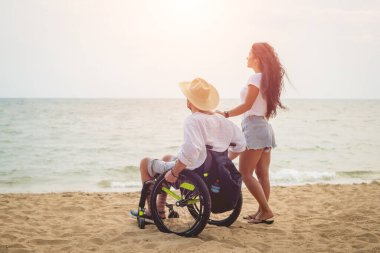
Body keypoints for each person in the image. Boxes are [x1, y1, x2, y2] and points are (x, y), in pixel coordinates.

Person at [130, 78, 246, 221]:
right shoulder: (222, 120)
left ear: (190, 101)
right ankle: (160, 208)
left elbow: (191, 151)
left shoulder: (193, 120)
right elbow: (241, 145)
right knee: (167, 157)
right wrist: (221, 161)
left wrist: (174, 172)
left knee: (144, 163)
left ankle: (152, 213)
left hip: (191, 172)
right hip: (210, 172)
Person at [216, 42, 286, 224]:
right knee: (263, 174)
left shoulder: (255, 78)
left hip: (255, 128)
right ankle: (262, 213)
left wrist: (225, 114)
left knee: (245, 173)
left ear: (257, 58)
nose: (246, 57)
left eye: (249, 54)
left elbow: (247, 105)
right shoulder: (266, 79)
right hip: (264, 127)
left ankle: (266, 210)